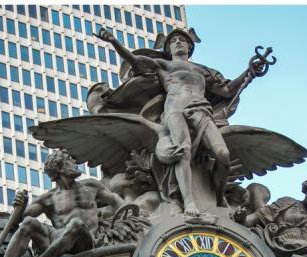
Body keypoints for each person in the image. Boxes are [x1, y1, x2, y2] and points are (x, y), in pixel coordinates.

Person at [96, 28, 255, 216]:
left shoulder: (203, 70)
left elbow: (227, 90)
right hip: (175, 108)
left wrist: (249, 72)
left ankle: (219, 198)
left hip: (201, 109)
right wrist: (114, 42)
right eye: (173, 41)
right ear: (168, 48)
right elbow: (136, 61)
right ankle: (188, 202)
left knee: (223, 154)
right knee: (182, 150)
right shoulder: (163, 65)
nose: (178, 42)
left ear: (189, 46)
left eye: (182, 40)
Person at [0, 149, 124, 257]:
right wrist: (21, 206)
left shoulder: (91, 186)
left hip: (84, 242)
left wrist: (128, 213)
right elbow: (18, 220)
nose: (75, 162)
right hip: (57, 241)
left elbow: (114, 199)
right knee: (29, 222)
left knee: (76, 224)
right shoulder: (49, 198)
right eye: (69, 159)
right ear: (59, 167)